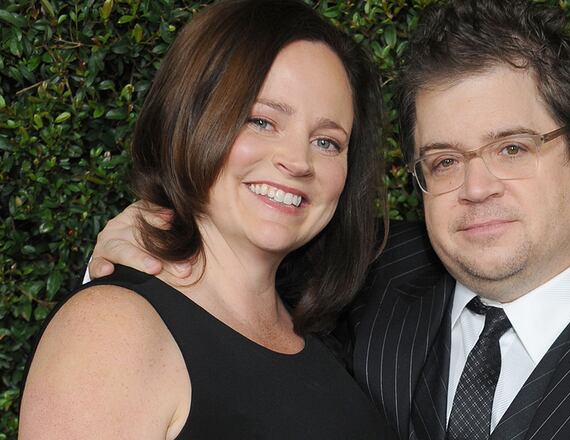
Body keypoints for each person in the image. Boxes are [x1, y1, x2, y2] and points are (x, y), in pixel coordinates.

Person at [83, 0, 570, 439]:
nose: (476, 187)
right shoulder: (361, 288)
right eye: (444, 160)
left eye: (512, 147)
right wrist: (132, 253)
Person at [19, 0, 396, 438]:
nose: (297, 161)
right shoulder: (112, 331)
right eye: (261, 120)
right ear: (191, 121)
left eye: (328, 142)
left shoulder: (332, 336)